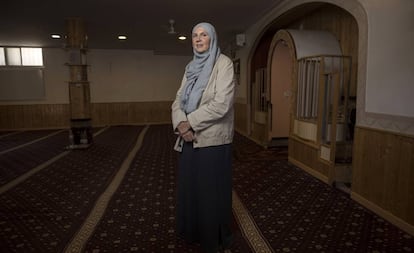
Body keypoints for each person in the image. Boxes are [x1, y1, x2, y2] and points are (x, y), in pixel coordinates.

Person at [171, 22, 235, 253]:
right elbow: (178, 100)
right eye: (195, 35)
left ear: (212, 38)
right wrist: (180, 124)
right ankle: (193, 232)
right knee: (191, 189)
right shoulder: (190, 67)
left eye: (203, 35)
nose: (198, 39)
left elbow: (221, 105)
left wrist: (190, 123)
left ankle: (213, 238)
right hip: (188, 138)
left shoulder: (223, 64)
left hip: (213, 141)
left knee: (210, 193)